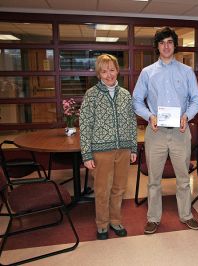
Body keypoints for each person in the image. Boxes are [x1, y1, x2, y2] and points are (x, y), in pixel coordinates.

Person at [133, 27, 198, 234]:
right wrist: (149, 116)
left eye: (170, 42)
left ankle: (186, 215)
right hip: (156, 133)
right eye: (162, 42)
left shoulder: (186, 71)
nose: (166, 46)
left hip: (181, 132)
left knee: (183, 178)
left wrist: (186, 116)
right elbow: (136, 101)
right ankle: (153, 218)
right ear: (157, 46)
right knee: (154, 179)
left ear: (174, 46)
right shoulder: (147, 73)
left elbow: (197, 99)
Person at [80, 54, 137, 240]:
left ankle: (115, 220)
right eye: (104, 71)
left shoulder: (125, 95)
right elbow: (85, 124)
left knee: (119, 188)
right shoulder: (91, 95)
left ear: (117, 71)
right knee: (102, 189)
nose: (109, 74)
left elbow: (132, 122)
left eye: (112, 70)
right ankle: (102, 224)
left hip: (124, 150)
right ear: (98, 74)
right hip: (101, 152)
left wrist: (134, 148)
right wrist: (87, 154)